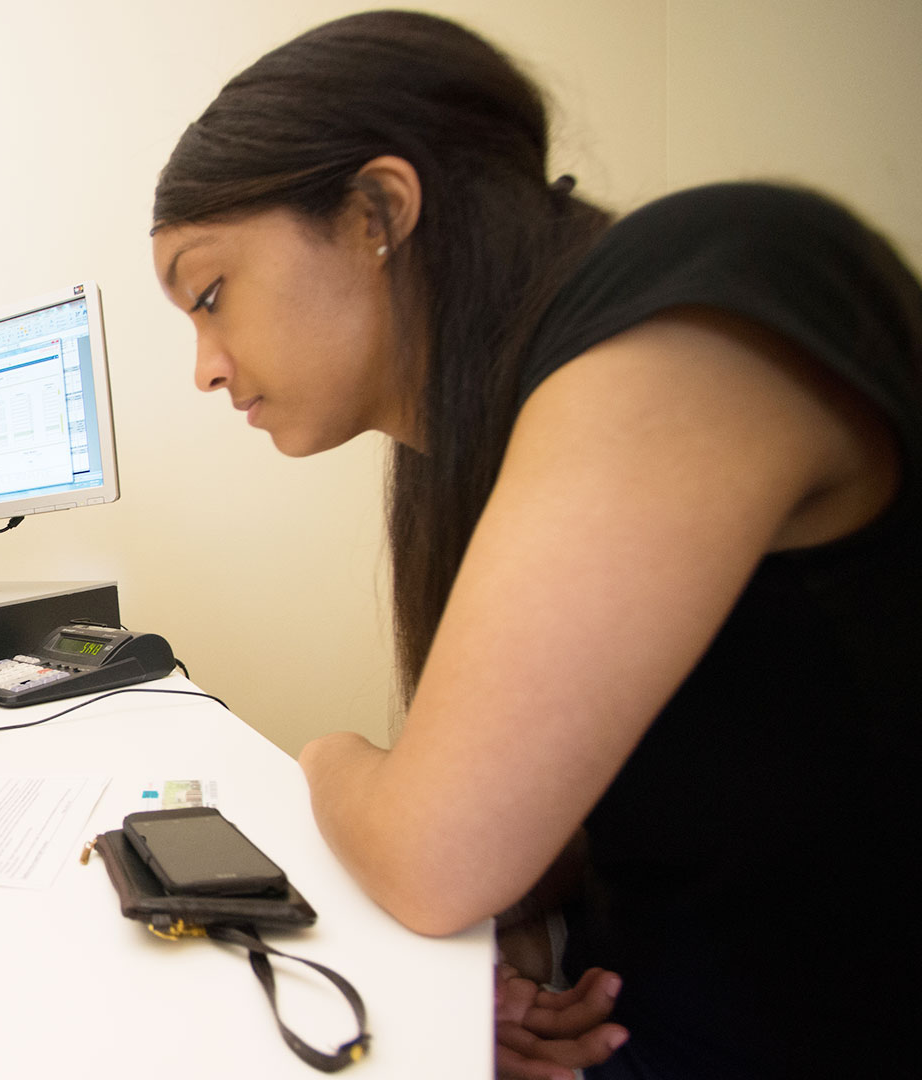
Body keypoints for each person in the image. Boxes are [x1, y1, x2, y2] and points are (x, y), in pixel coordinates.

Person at [150, 10, 919, 1080]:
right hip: (628, 1012)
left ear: (378, 209)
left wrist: (327, 756)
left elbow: (434, 854)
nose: (207, 367)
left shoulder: (711, 289)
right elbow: (548, 830)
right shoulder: (474, 445)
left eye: (211, 293)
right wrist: (495, 957)